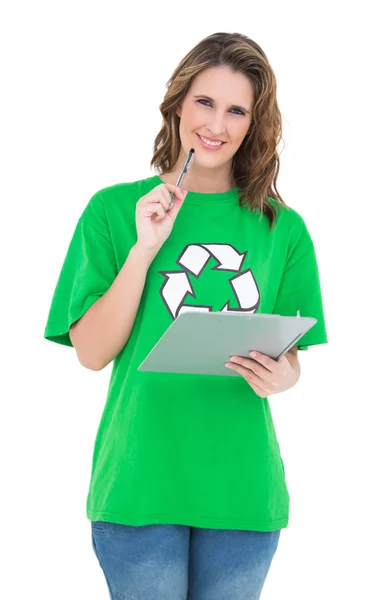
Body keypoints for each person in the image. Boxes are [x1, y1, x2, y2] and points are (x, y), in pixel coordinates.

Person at [44, 31, 328, 600]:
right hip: (139, 480)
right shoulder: (112, 211)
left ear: (254, 123)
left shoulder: (283, 228)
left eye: (236, 110)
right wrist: (144, 248)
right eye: (204, 102)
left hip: (242, 490)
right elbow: (92, 353)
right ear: (176, 102)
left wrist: (285, 375)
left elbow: (291, 352)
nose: (216, 125)